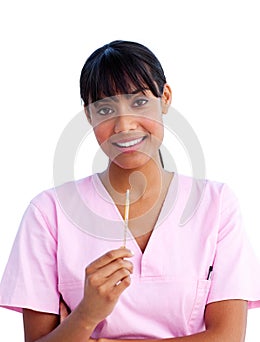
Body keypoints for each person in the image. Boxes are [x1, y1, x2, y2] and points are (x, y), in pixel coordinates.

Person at [0, 40, 260, 342]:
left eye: (139, 102)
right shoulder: (48, 213)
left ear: (164, 98)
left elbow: (228, 337)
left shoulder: (215, 205)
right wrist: (87, 315)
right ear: (89, 116)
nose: (123, 125)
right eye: (105, 109)